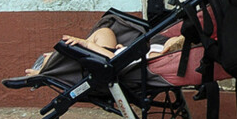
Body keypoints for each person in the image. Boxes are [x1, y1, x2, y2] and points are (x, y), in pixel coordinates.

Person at [26, 28, 185, 75]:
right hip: (120, 53)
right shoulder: (158, 48)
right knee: (105, 32)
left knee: (71, 49)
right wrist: (123, 49)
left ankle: (44, 69)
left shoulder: (153, 58)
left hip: (108, 63)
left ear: (168, 50)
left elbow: (115, 60)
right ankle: (52, 58)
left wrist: (86, 45)